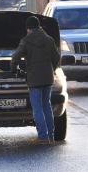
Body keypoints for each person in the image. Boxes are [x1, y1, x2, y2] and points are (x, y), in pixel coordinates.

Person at [11, 16, 60, 144]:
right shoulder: (49, 40)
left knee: (37, 108)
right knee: (47, 106)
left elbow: (15, 57)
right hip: (48, 78)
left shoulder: (26, 41)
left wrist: (13, 68)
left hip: (34, 79)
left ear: (28, 29)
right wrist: (52, 69)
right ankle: (51, 135)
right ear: (39, 27)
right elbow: (56, 58)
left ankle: (42, 136)